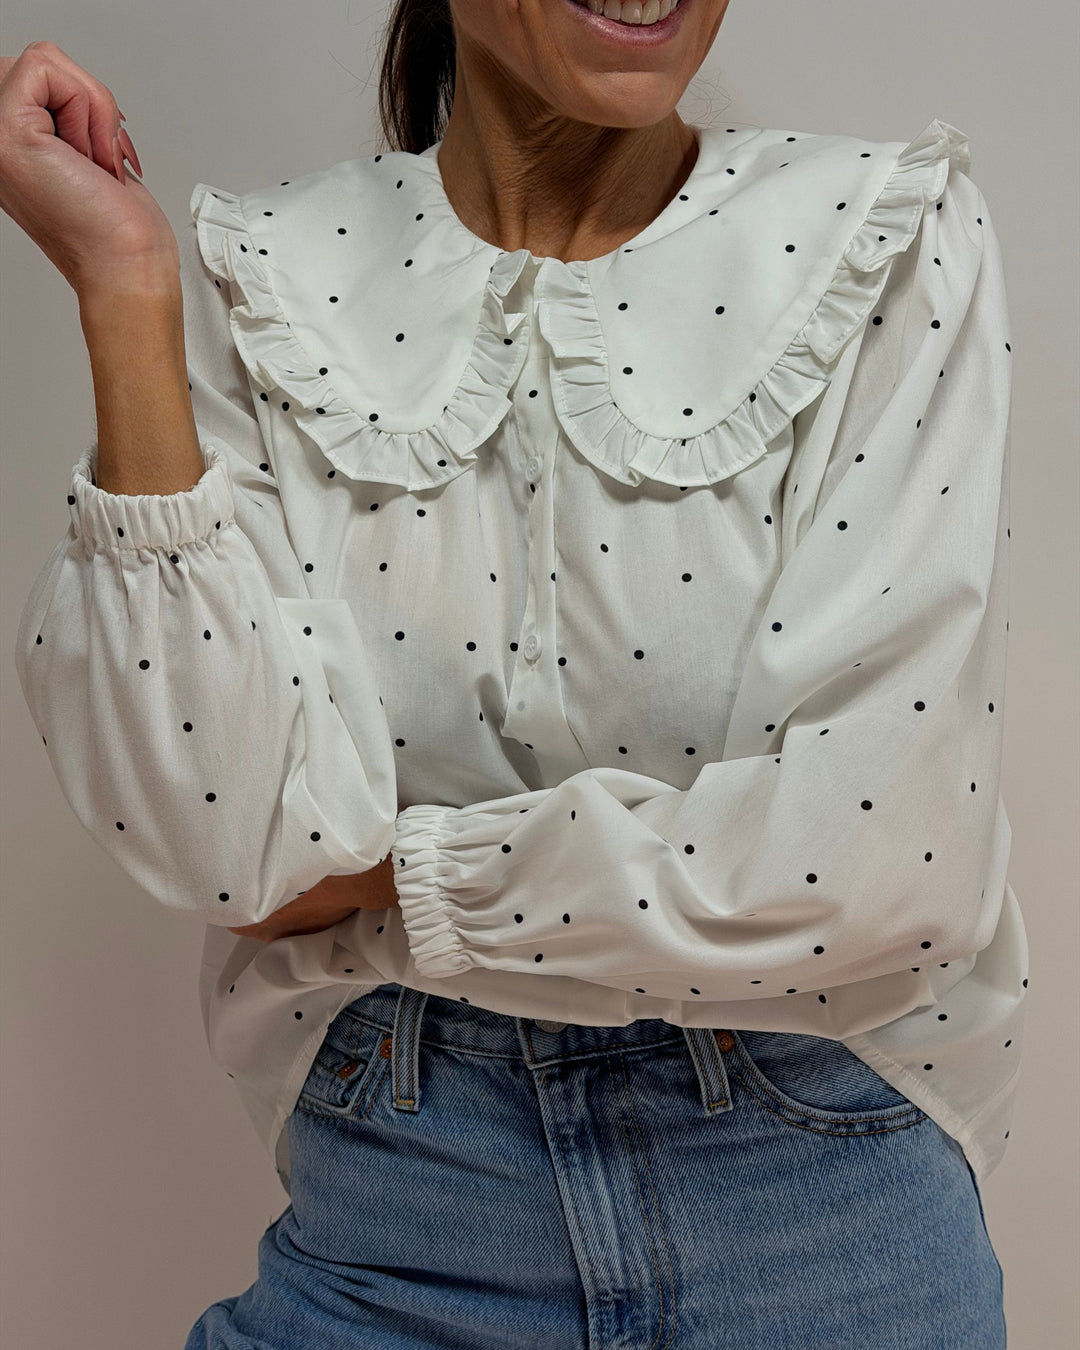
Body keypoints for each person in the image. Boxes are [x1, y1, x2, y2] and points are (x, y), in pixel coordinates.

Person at [2, 0, 1020, 1341]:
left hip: (817, 1207)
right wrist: (125, 290)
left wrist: (393, 874)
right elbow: (220, 844)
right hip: (397, 1200)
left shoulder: (878, 237)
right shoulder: (265, 277)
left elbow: (882, 858)